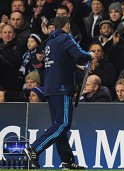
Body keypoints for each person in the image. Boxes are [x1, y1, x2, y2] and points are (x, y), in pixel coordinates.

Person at [24, 16, 95, 169]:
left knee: (58, 125)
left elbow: (61, 61)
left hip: (51, 87)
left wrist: (77, 68)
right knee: (63, 124)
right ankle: (34, 149)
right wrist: (91, 55)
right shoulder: (65, 38)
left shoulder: (50, 41)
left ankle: (67, 161)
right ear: (67, 25)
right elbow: (79, 53)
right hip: (62, 88)